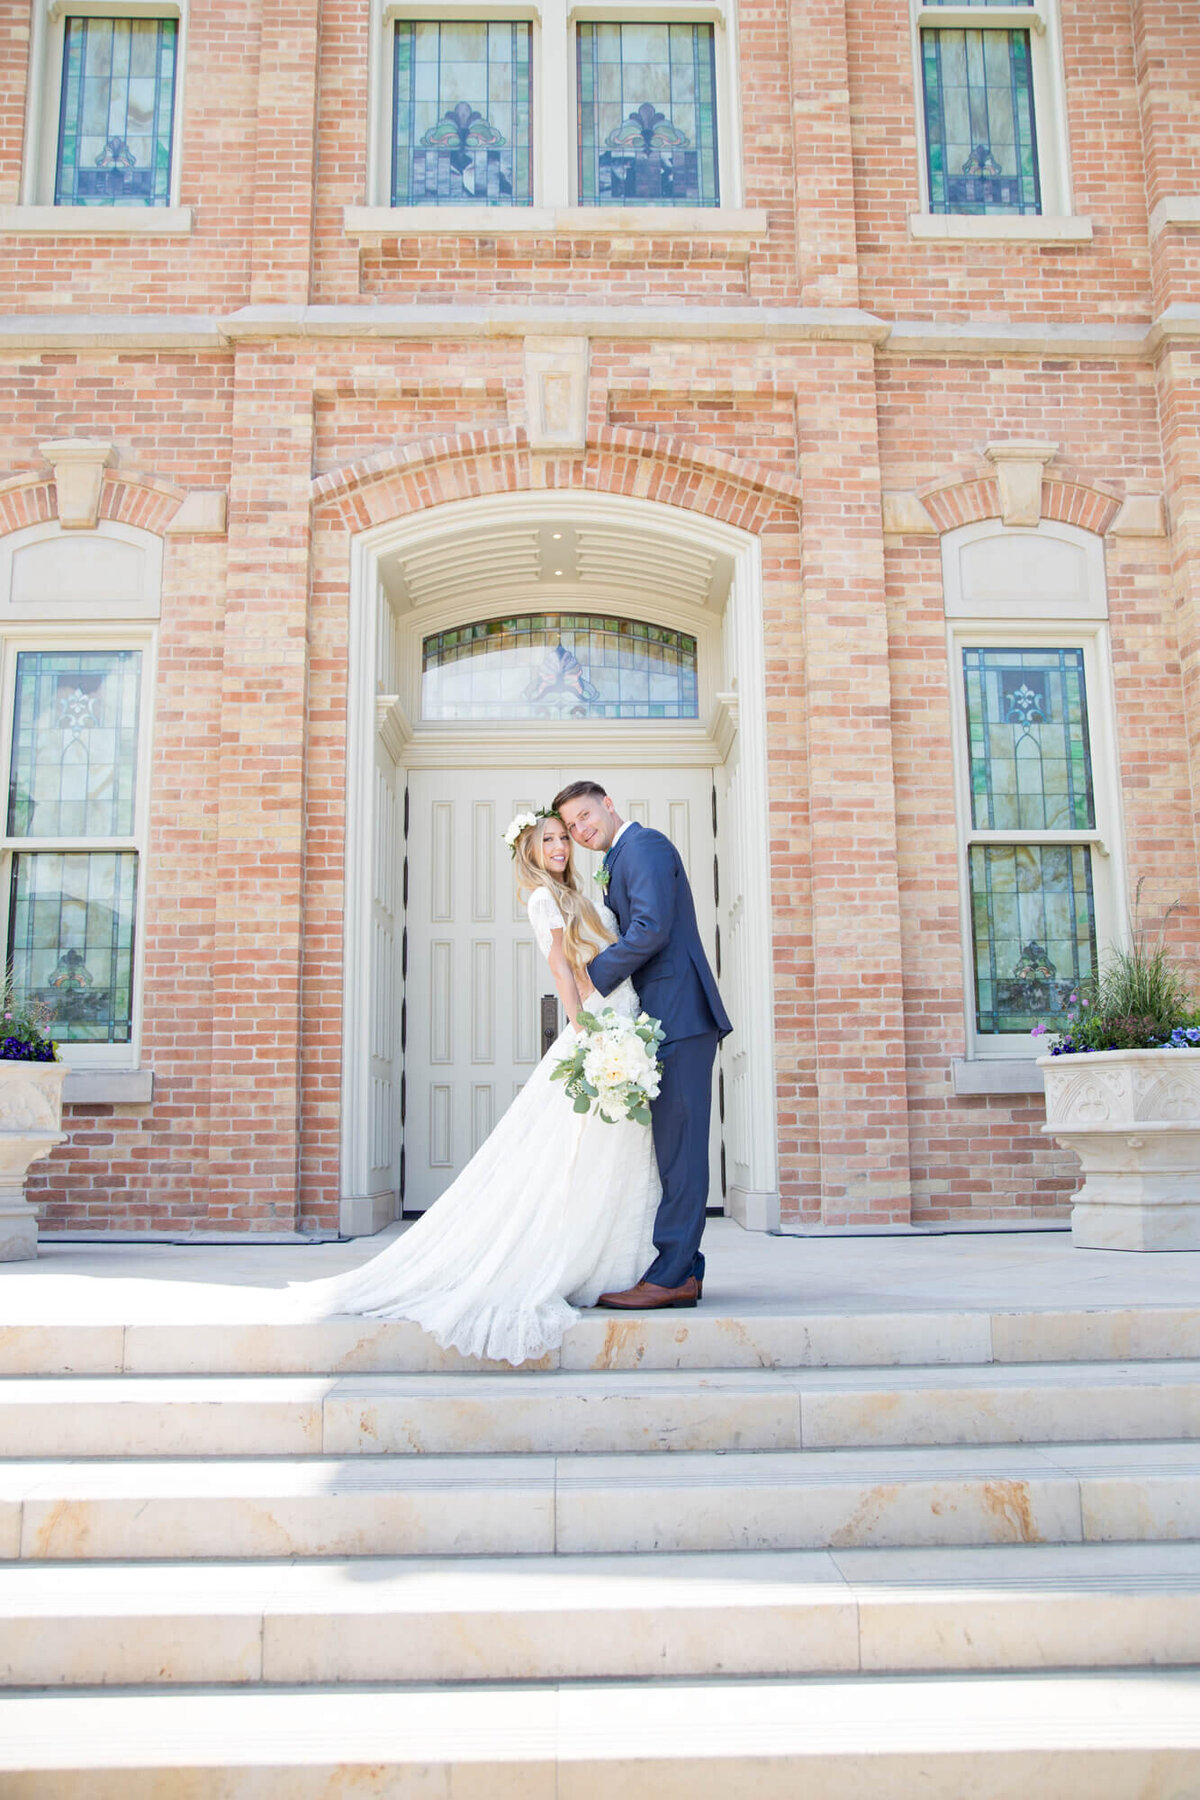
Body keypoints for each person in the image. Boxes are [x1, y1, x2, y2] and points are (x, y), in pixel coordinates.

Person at [283, 811, 657, 1365]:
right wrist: (587, 1036)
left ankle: (613, 1263)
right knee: (567, 1153)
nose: (558, 846)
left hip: (622, 1015)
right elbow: (562, 969)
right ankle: (567, 1259)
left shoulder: (579, 889)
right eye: (546, 841)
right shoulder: (542, 899)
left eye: (561, 838)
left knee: (612, 1151)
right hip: (598, 1028)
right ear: (527, 852)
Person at [553, 780, 732, 1311]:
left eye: (586, 817)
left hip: (680, 1014)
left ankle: (673, 1273)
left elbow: (651, 928)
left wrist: (590, 978)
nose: (582, 831)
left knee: (681, 1152)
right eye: (572, 828)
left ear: (608, 805)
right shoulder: (621, 857)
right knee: (671, 1151)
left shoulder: (645, 846)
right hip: (662, 1018)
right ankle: (685, 1270)